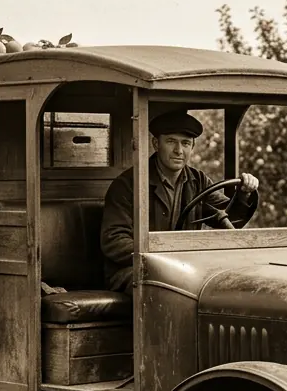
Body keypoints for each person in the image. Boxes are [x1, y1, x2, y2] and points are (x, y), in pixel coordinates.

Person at [100, 111, 259, 291]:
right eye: (171, 141)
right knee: (168, 282)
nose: (179, 150)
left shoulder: (198, 181)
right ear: (155, 144)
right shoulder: (128, 184)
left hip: (181, 269)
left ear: (192, 147)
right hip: (132, 270)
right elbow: (114, 241)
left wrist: (244, 194)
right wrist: (163, 256)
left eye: (185, 143)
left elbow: (230, 220)